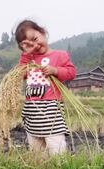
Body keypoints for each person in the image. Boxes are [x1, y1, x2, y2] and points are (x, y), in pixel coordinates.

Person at [14, 20, 76, 156]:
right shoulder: (28, 60)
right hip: (32, 111)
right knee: (36, 152)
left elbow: (71, 73)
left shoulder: (60, 55)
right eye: (29, 45)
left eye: (35, 39)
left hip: (51, 111)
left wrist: (55, 70)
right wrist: (26, 54)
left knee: (56, 150)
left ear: (42, 32)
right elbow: (20, 74)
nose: (35, 45)